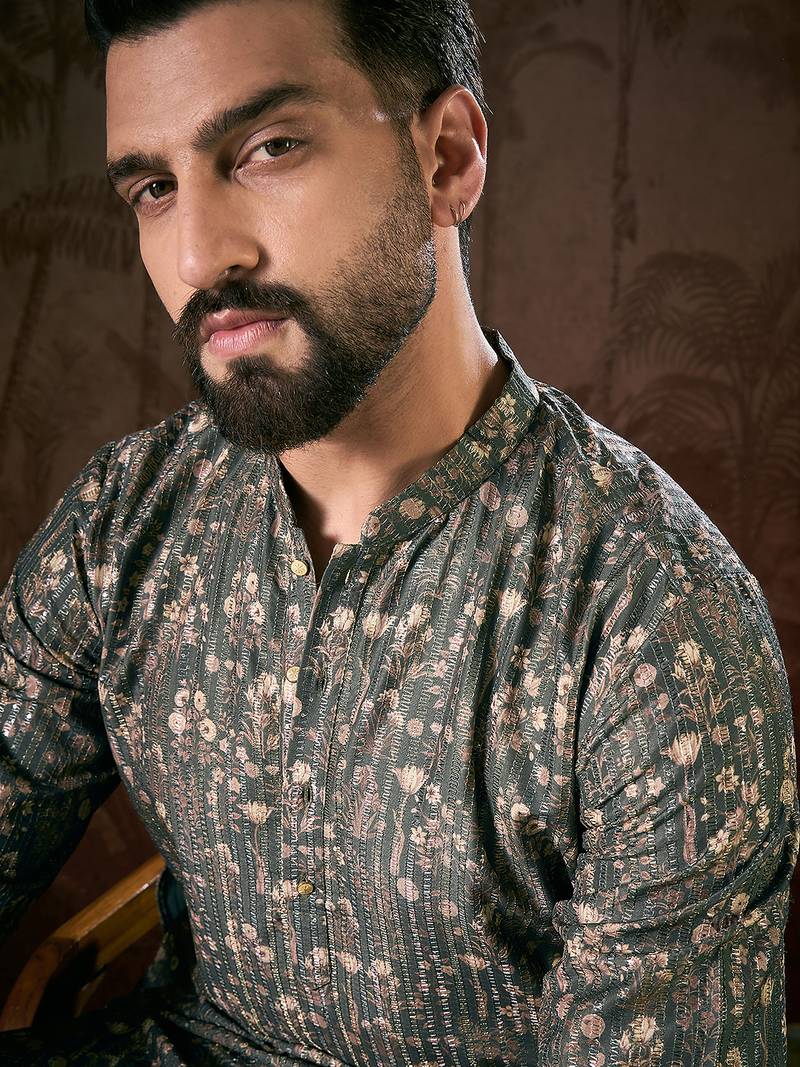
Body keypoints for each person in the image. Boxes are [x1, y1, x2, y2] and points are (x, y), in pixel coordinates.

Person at [0, 0, 797, 1063]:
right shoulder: (125, 521)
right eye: (153, 187)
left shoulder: (652, 616)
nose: (195, 256)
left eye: (267, 148)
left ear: (446, 159)